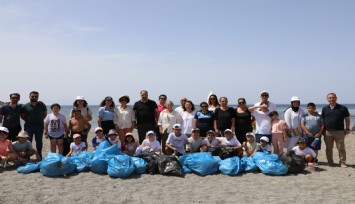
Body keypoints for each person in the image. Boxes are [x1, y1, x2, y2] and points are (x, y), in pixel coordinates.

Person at [321, 93, 350, 167]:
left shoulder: (343, 108)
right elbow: (322, 120)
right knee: (328, 148)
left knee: (341, 148)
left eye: (333, 97)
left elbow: (347, 118)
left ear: (336, 98)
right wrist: (322, 130)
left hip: (339, 131)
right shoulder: (324, 109)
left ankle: (342, 162)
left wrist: (347, 128)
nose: (331, 99)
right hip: (327, 132)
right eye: (330, 98)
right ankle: (330, 162)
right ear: (327, 99)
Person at [20, 91, 47, 158]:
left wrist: (39, 119)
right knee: (28, 141)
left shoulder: (42, 105)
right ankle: (27, 156)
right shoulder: (25, 106)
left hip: (39, 126)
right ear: (29, 96)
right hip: (28, 126)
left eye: (36, 96)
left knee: (39, 141)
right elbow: (22, 116)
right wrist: (28, 120)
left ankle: (39, 154)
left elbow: (45, 114)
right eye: (33, 96)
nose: (34, 97)